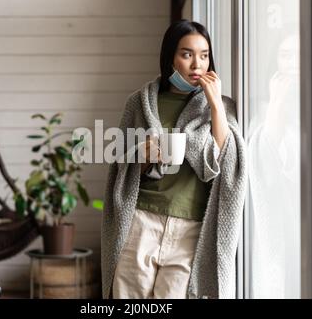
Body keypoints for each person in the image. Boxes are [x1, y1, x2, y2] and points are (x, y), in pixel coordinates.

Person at [101, 20, 247, 299]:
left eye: (204, 55)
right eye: (187, 54)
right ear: (170, 57)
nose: (197, 65)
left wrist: (215, 104)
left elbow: (224, 158)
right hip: (141, 222)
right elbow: (120, 162)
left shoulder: (221, 107)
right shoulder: (139, 102)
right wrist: (141, 155)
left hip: (189, 229)